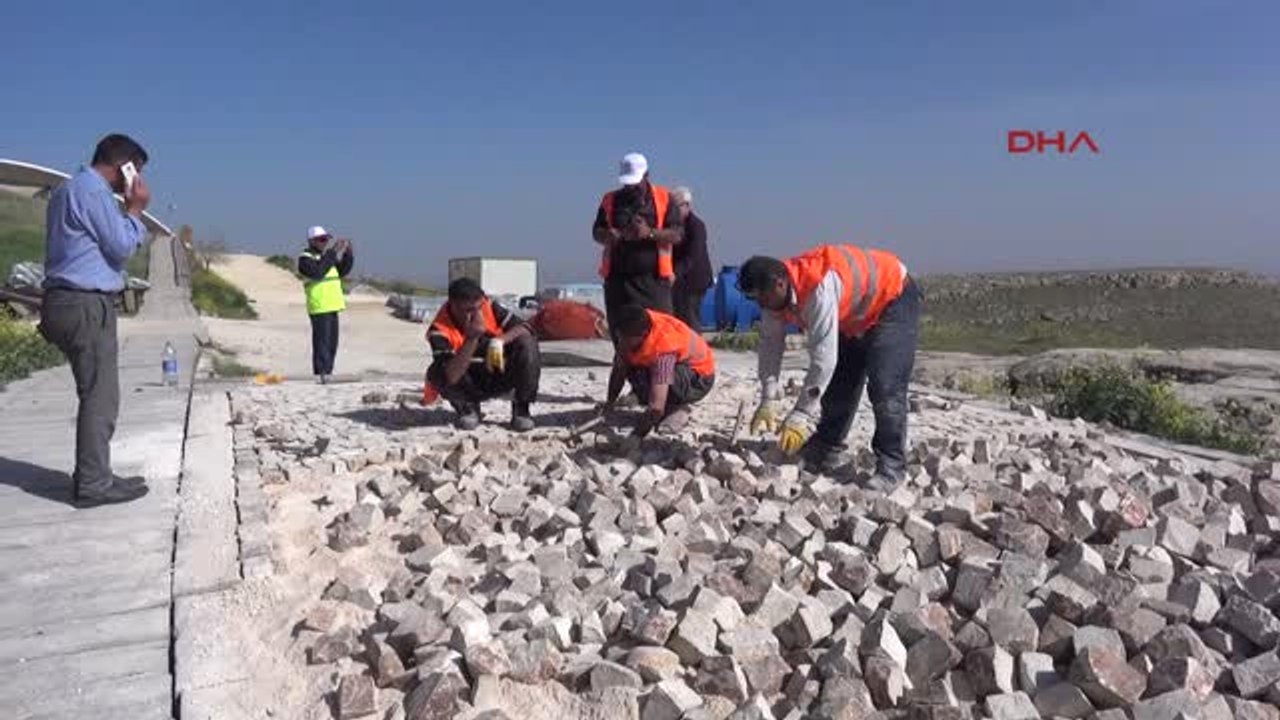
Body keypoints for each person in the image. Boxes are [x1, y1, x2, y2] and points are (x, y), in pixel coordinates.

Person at [737, 244, 922, 490]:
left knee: (885, 385)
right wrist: (768, 399)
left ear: (779, 283)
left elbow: (823, 359)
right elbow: (771, 346)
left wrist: (801, 415)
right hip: (854, 313)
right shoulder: (773, 300)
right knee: (840, 382)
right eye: (756, 299)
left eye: (764, 297)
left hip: (892, 298)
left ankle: (892, 466)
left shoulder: (817, 286)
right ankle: (827, 447)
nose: (762, 304)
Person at [37, 133, 153, 505]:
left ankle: (95, 474)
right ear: (126, 167)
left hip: (67, 301)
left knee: (95, 394)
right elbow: (120, 245)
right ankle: (93, 484)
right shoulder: (92, 191)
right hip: (84, 304)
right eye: (136, 172)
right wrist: (135, 210)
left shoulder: (70, 189)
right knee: (100, 397)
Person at [426, 278, 540, 431]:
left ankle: (522, 408)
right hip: (468, 381)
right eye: (469, 310)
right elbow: (450, 376)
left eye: (479, 307)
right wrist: (472, 338)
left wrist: (500, 340)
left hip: (495, 370)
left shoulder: (489, 307)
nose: (478, 315)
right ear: (454, 307)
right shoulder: (439, 330)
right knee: (436, 372)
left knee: (527, 342)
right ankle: (467, 407)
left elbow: (526, 327)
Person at [592, 152, 685, 339]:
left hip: (653, 283)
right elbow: (596, 232)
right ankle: (626, 368)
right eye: (627, 183)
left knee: (660, 334)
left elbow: (677, 234)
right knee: (622, 336)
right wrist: (609, 236)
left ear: (647, 175)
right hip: (618, 283)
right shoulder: (610, 200)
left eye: (635, 182)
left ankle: (659, 369)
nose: (631, 187)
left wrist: (649, 233)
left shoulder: (665, 198)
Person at [599, 305, 715, 437]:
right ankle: (647, 397)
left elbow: (656, 408)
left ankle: (677, 408)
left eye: (626, 339)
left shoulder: (664, 348)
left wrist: (635, 437)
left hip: (698, 377)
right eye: (619, 337)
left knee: (658, 385)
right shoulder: (633, 328)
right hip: (668, 364)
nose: (622, 342)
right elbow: (619, 370)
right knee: (631, 365)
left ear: (642, 336)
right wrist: (609, 404)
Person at [297, 226, 354, 383]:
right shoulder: (305, 258)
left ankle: (327, 373)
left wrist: (348, 254)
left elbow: (342, 271)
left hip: (332, 305)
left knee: (331, 344)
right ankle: (321, 374)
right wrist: (332, 252)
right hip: (319, 306)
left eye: (326, 240)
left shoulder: (327, 258)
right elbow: (318, 272)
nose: (325, 242)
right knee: (322, 344)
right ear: (311, 241)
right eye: (321, 239)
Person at [670, 186, 712, 332]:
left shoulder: (696, 226)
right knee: (677, 320)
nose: (672, 210)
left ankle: (697, 353)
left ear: (687, 205)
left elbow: (693, 256)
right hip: (678, 280)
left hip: (694, 281)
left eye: (676, 206)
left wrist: (674, 273)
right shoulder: (672, 225)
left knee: (690, 319)